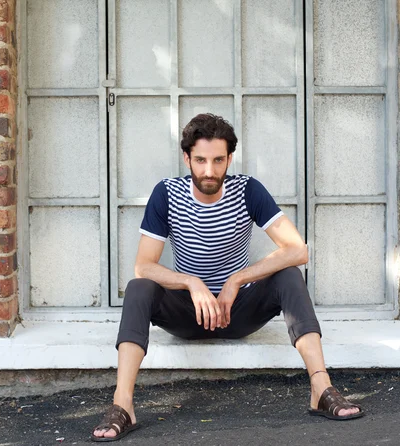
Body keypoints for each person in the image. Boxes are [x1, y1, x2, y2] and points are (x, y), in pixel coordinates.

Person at [91, 113, 363, 442]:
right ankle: (123, 405)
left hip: (238, 311)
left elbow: (297, 250)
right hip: (189, 313)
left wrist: (236, 280)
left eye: (219, 160)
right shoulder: (166, 193)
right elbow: (144, 266)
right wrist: (191, 283)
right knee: (139, 288)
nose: (209, 170)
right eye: (201, 160)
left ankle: (322, 388)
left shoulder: (247, 189)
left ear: (229, 158)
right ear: (186, 157)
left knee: (289, 275)